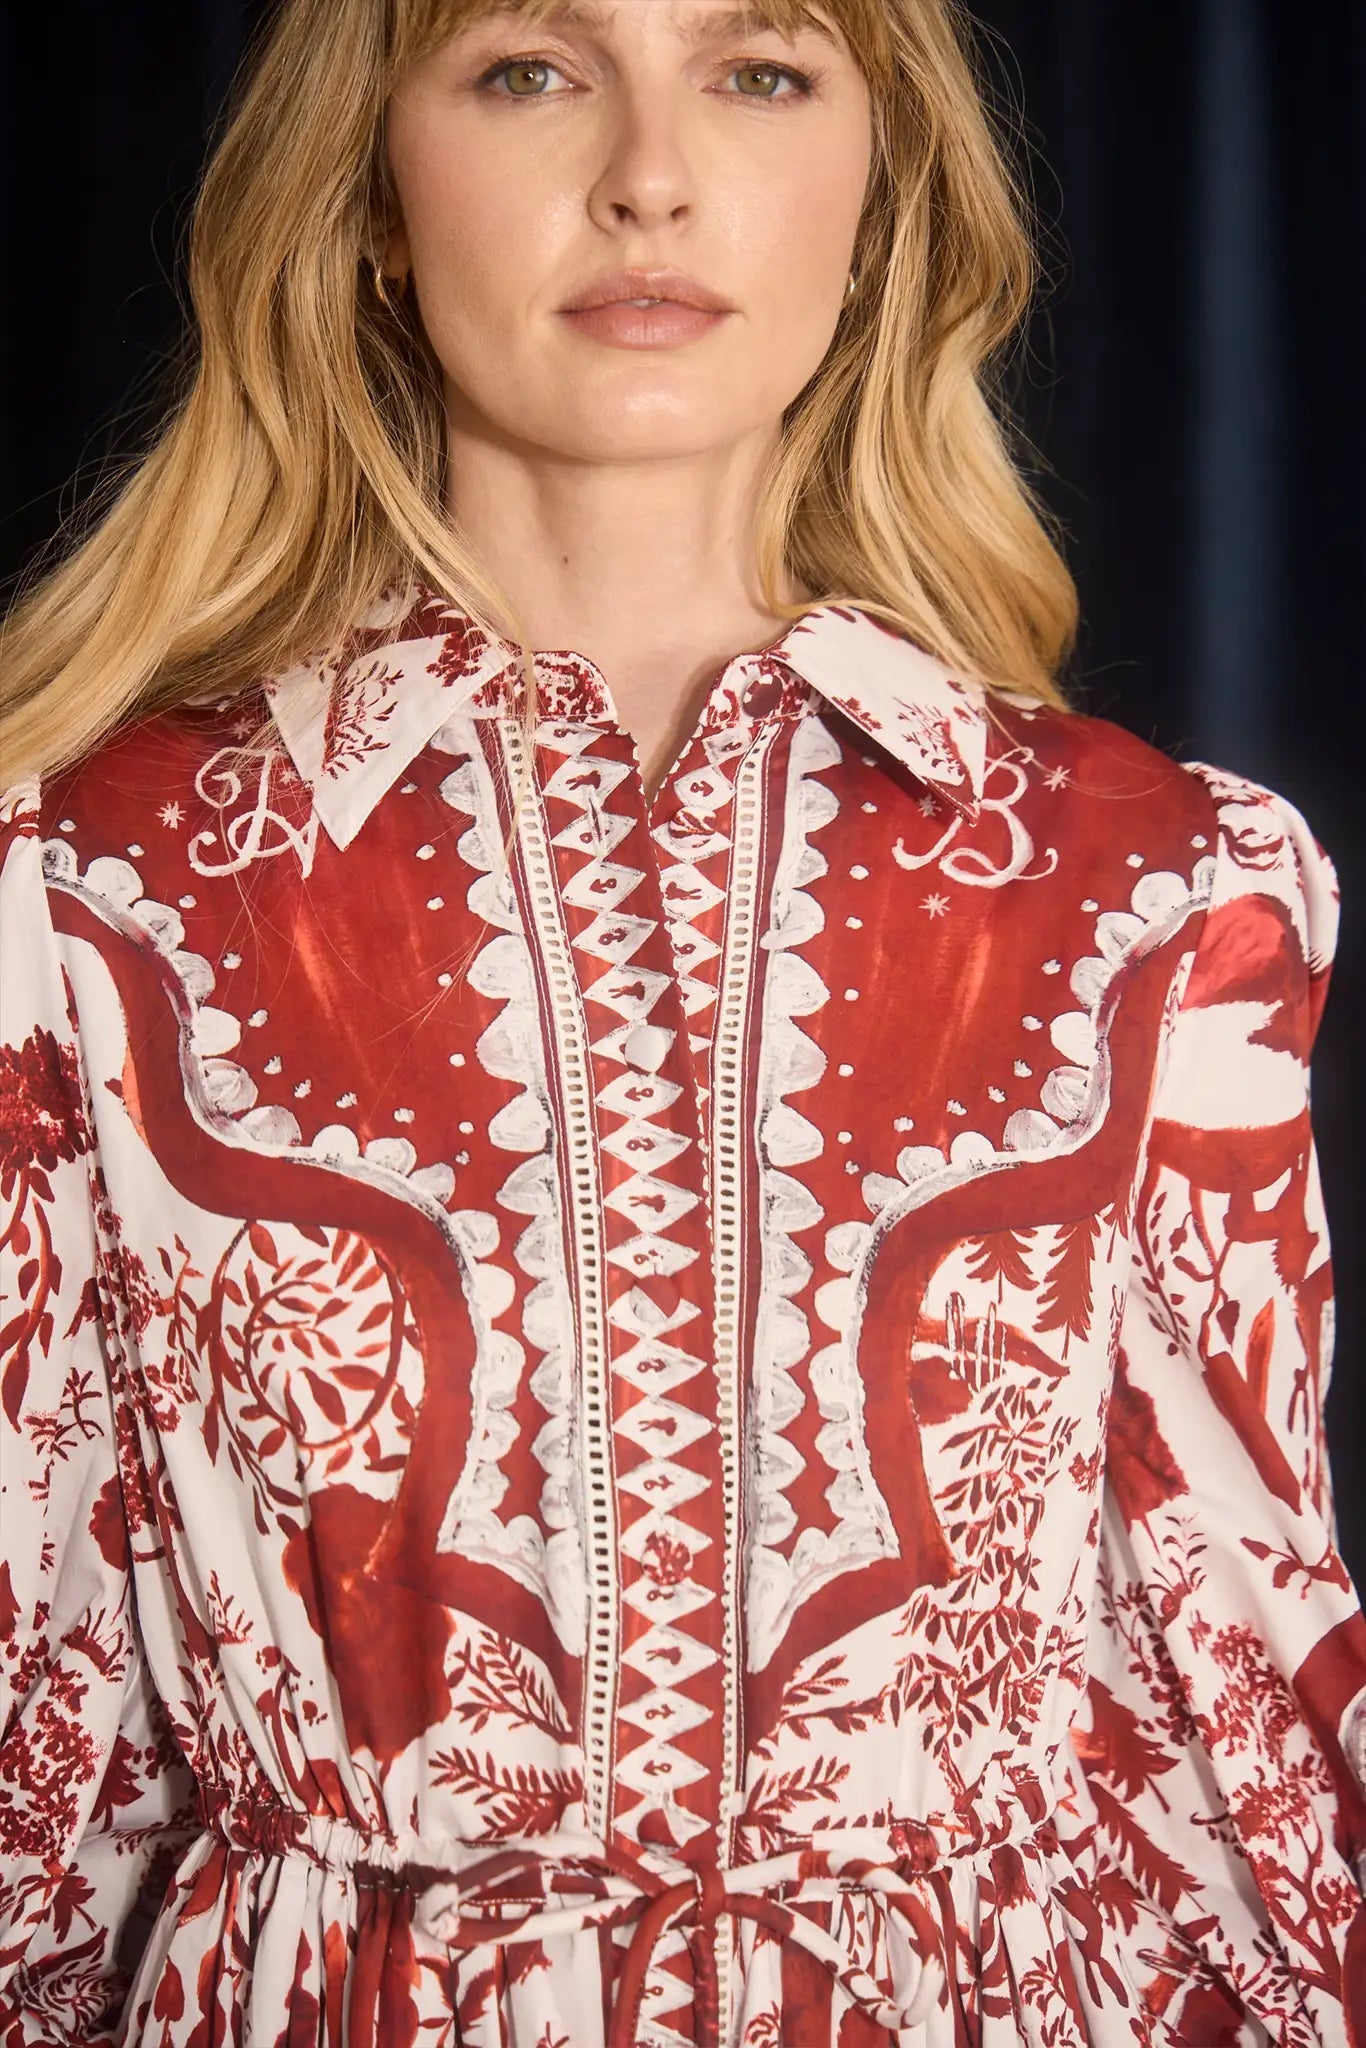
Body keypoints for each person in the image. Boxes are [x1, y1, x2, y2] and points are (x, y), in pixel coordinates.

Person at [1, 0, 1363, 2039]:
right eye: (529, 71)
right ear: (367, 196)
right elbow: (40, 1717)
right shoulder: (81, 892)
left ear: (878, 195)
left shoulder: (1154, 891)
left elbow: (1237, 1707)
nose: (648, 175)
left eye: (757, 72)